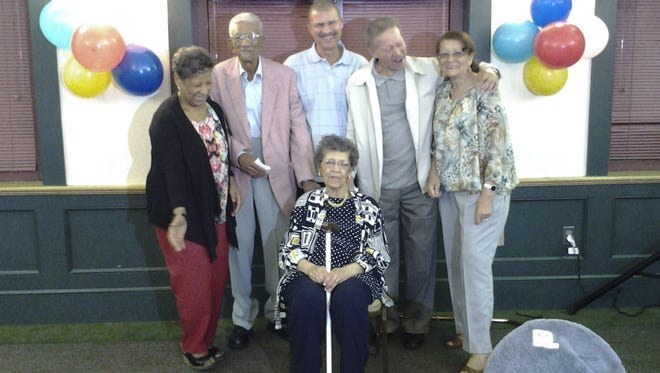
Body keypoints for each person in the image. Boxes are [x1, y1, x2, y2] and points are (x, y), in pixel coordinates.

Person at [345, 17, 500, 349]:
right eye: (388, 48)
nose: (398, 52)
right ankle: (384, 320)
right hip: (378, 186)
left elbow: (464, 61)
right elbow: (352, 134)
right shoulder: (357, 83)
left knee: (420, 258)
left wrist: (492, 71)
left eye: (400, 43)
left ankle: (416, 324)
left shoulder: (427, 69)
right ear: (372, 52)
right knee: (383, 257)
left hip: (420, 183)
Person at [210, 12, 319, 350]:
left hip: (278, 172)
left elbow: (298, 128)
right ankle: (243, 317)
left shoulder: (284, 75)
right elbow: (214, 125)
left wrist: (307, 178)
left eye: (252, 37)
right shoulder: (218, 75)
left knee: (279, 246)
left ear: (263, 39)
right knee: (238, 249)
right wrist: (240, 153)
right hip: (236, 172)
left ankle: (277, 312)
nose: (246, 43)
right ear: (230, 42)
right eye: (239, 38)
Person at [425, 31, 518, 373]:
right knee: (457, 266)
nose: (450, 59)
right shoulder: (442, 93)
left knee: (476, 270)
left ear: (469, 56)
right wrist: (434, 173)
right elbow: (438, 141)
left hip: (483, 195)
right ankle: (466, 332)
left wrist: (487, 196)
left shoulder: (486, 90)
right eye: (443, 54)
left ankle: (481, 351)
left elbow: (499, 148)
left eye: (456, 54)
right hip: (450, 192)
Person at [145, 46, 241, 370]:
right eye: (196, 85)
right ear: (178, 80)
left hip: (216, 210)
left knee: (214, 284)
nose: (203, 91)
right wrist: (178, 214)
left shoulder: (213, 109)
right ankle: (193, 347)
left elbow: (221, 152)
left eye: (207, 83)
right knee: (194, 288)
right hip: (182, 217)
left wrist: (233, 184)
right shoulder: (167, 118)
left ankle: (205, 340)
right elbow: (169, 168)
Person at [275, 134, 390, 372]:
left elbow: (378, 252)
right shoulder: (305, 203)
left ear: (351, 169)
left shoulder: (367, 205)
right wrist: (311, 268)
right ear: (319, 167)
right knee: (307, 299)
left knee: (349, 299)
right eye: (329, 163)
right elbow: (290, 249)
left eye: (342, 164)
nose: (335, 170)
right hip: (310, 272)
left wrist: (346, 271)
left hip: (355, 273)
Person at [283, 0, 367, 153]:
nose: (327, 30)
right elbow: (285, 121)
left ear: (341, 23)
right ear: (310, 28)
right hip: (308, 164)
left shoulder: (360, 65)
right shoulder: (292, 66)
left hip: (349, 165)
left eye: (332, 23)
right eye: (319, 25)